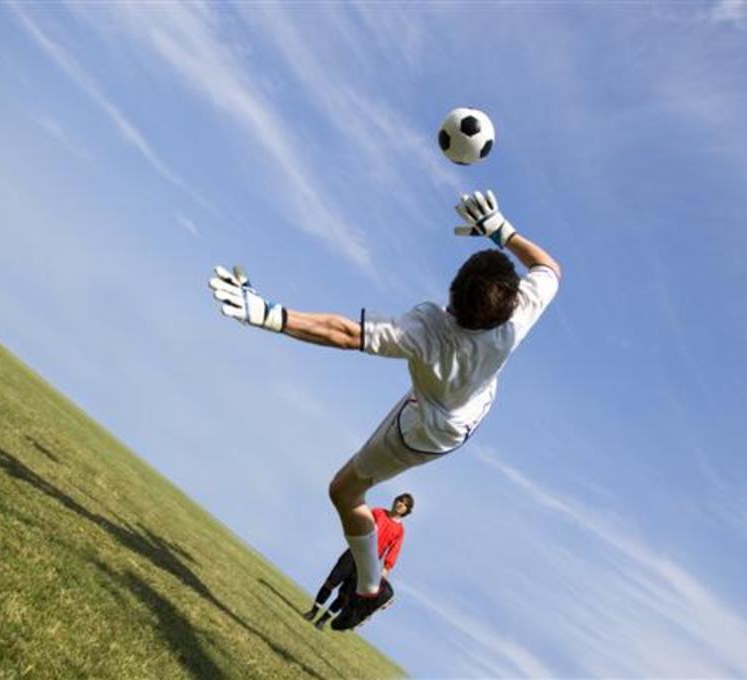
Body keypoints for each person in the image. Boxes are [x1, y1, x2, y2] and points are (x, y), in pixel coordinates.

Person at [208, 189, 561, 629]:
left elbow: (344, 333)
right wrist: (502, 231)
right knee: (353, 485)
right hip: (468, 409)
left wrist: (269, 314)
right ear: (508, 303)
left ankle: (371, 589)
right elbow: (549, 268)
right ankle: (367, 588)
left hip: (424, 430)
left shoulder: (428, 329)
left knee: (343, 493)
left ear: (452, 295)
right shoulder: (517, 317)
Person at [302, 493, 412, 630]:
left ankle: (322, 621)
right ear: (395, 501)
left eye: (405, 505)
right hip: (354, 551)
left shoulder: (400, 531)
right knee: (331, 581)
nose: (401, 504)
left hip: (367, 564)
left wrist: (386, 569)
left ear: (406, 511)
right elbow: (359, 522)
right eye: (400, 500)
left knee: (345, 594)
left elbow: (394, 550)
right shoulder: (378, 512)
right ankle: (313, 612)